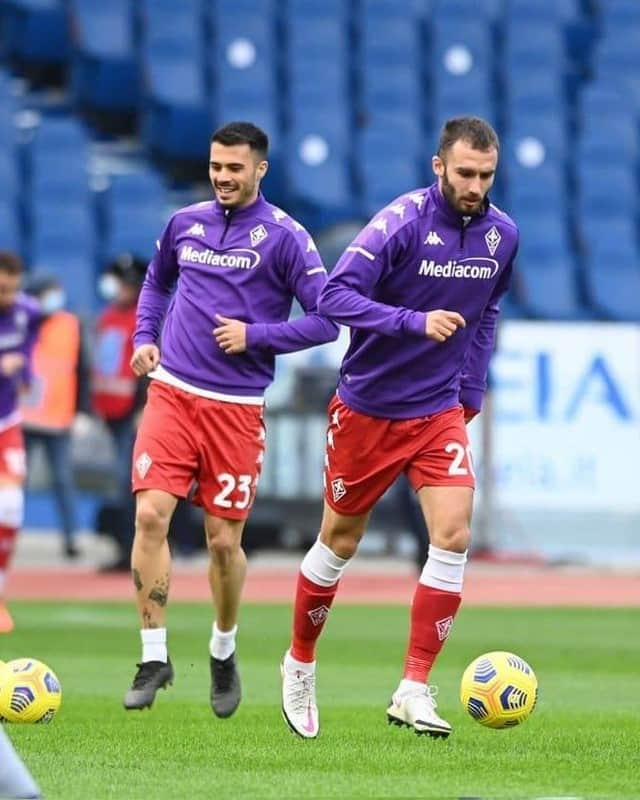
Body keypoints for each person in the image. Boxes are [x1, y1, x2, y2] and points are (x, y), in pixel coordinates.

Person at [280, 116, 519, 739]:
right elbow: (333, 298)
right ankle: (299, 661)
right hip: (368, 408)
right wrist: (414, 323)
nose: (474, 185)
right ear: (439, 166)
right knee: (339, 542)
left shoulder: (502, 235)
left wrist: (471, 386)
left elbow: (486, 311)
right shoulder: (400, 223)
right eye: (464, 173)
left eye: (486, 175)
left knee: (454, 533)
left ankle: (413, 686)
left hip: (437, 408)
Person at [123, 121, 339, 715]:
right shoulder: (183, 223)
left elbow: (326, 319)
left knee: (223, 543)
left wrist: (257, 336)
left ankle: (223, 649)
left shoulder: (287, 237)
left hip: (236, 409)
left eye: (234, 168)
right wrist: (146, 337)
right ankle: (153, 654)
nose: (222, 176)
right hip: (171, 394)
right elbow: (156, 282)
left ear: (259, 169)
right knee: (150, 515)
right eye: (217, 166)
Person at [21, 274, 90, 559]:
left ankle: (71, 537)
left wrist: (82, 412)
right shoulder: (21, 321)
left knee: (63, 479)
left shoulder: (70, 325)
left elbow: (83, 370)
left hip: (58, 419)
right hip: (23, 417)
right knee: (13, 481)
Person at [92, 254, 147, 572]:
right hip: (111, 412)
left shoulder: (143, 318)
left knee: (130, 484)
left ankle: (132, 549)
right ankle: (125, 546)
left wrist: (144, 406)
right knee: (119, 482)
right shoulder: (110, 316)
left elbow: (149, 366)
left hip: (132, 413)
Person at [0, 252, 42, 634]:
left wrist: (25, 371)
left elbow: (28, 350)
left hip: (7, 421)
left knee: (10, 508)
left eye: (13, 287)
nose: (7, 295)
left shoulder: (28, 310)